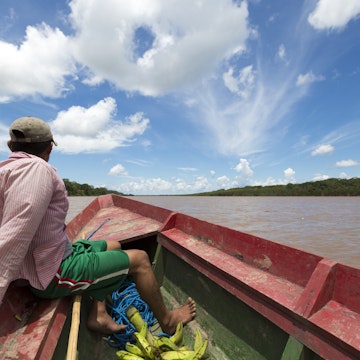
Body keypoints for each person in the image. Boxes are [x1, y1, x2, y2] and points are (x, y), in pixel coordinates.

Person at [0, 116, 196, 334]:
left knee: (113, 245)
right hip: (51, 274)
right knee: (140, 260)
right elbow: (15, 234)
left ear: (10, 146)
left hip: (53, 256)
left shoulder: (6, 171)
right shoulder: (37, 170)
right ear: (49, 148)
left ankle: (99, 314)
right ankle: (168, 320)